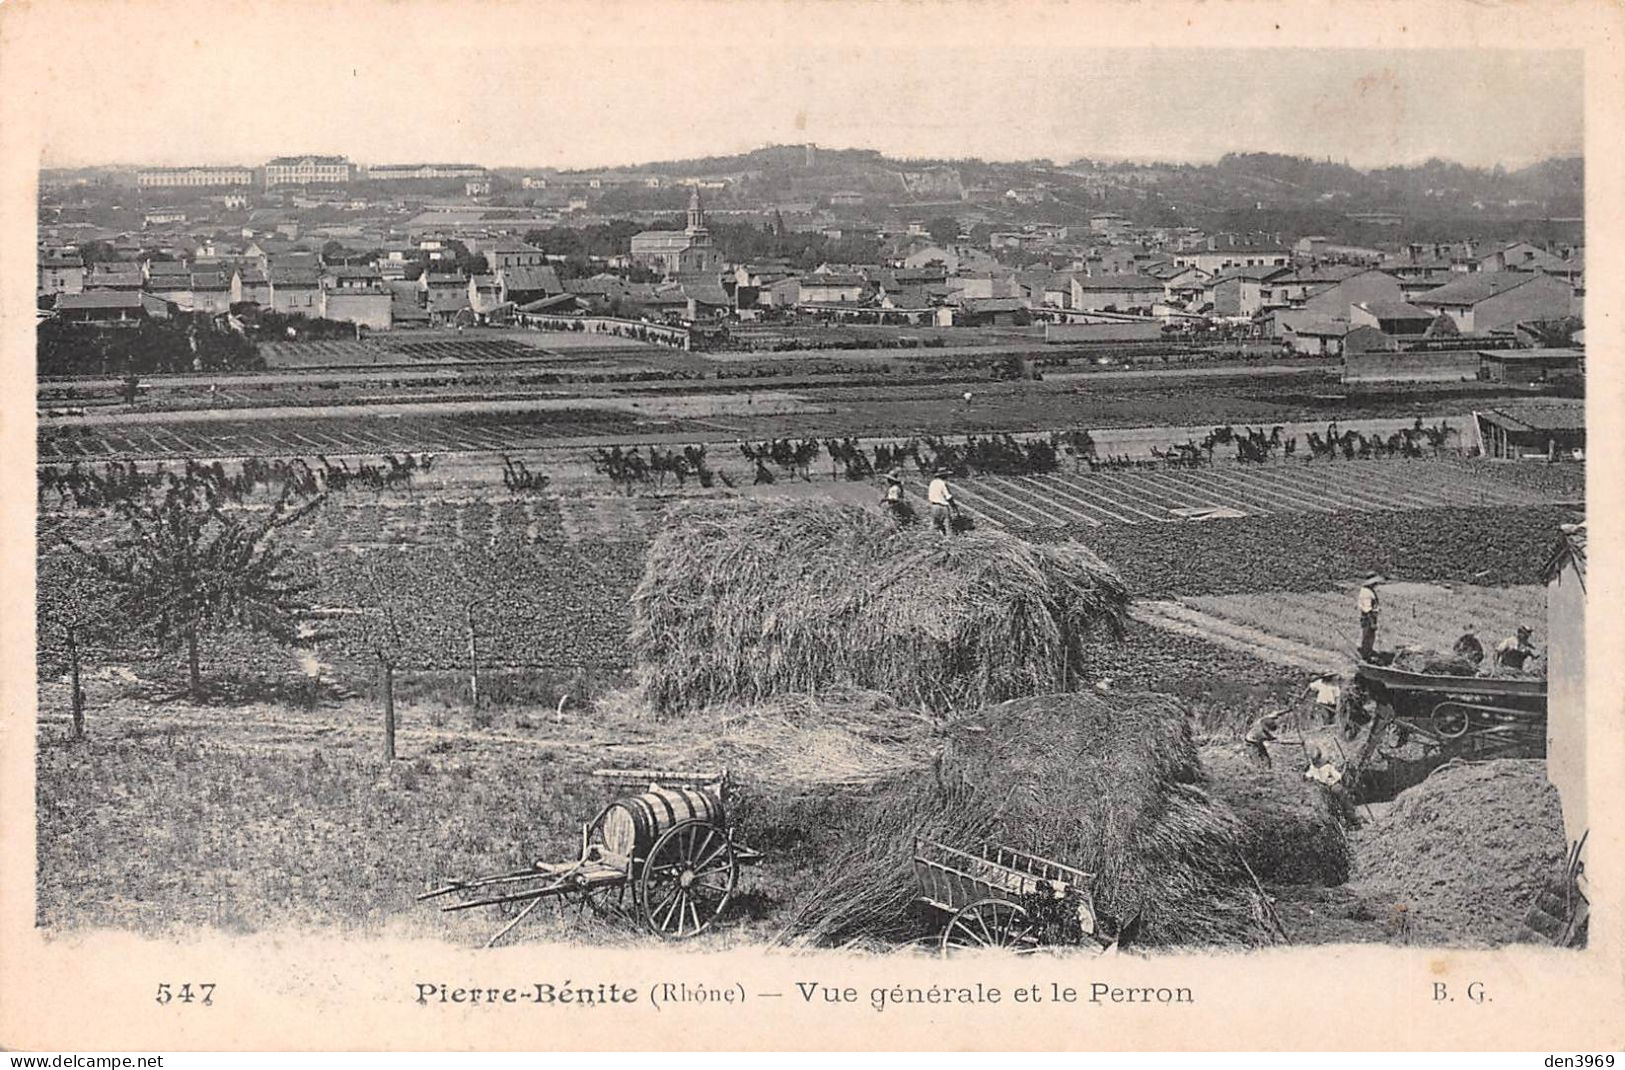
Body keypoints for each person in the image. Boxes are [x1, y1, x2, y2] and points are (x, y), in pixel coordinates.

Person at [1356, 573, 1383, 658]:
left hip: (1370, 616)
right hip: (1368, 618)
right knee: (1367, 636)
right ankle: (1365, 655)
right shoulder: (1366, 593)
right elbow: (1367, 610)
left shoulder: (1369, 590)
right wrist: (1372, 622)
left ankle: (1367, 652)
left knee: (1370, 636)